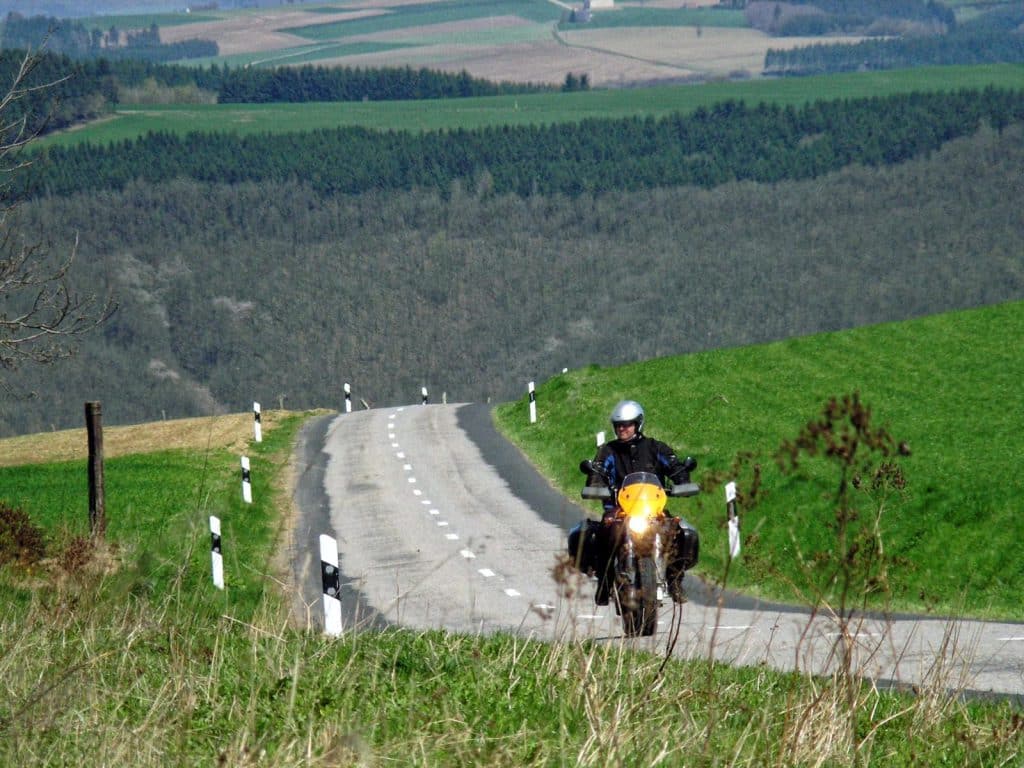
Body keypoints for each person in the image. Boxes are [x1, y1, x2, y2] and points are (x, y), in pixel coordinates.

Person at [573, 399, 699, 605]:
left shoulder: (655, 448)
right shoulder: (608, 451)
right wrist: (595, 484)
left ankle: (675, 579)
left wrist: (683, 480)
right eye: (619, 425)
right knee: (605, 532)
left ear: (638, 424)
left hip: (652, 511)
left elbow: (674, 466)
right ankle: (604, 581)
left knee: (681, 532)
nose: (622, 429)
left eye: (627, 424)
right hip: (619, 511)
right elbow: (598, 472)